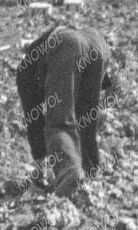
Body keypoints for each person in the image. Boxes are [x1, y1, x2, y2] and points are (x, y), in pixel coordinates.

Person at [15, 19, 118, 198]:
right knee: (85, 119)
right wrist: (109, 88)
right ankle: (90, 173)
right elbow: (102, 83)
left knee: (59, 121)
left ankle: (70, 173)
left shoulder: (25, 73)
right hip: (97, 42)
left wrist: (40, 161)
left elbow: (34, 119)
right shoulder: (43, 53)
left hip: (68, 45)